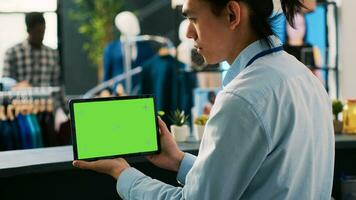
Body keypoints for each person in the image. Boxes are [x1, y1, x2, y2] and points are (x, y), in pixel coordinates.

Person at [73, 0, 335, 199]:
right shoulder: (305, 78)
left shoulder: (241, 98)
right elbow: (261, 177)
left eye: (193, 19)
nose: (188, 32)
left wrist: (123, 173)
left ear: (232, 14)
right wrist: (178, 160)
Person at [2, 12, 61, 89]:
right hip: (19, 100)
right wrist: (17, 86)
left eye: (43, 31)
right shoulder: (12, 53)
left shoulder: (52, 54)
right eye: (37, 32)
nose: (41, 36)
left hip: (47, 101)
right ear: (28, 30)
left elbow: (57, 85)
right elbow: (5, 85)